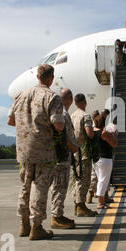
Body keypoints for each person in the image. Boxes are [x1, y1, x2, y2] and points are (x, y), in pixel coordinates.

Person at [7, 64, 64, 240]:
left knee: (25, 186)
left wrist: (27, 128)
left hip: (23, 150)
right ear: (51, 78)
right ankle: (36, 226)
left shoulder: (20, 96)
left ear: (37, 77)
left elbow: (10, 120)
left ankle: (23, 224)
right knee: (40, 186)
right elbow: (59, 125)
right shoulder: (52, 97)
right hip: (43, 150)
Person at [50, 88, 79, 229]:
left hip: (59, 155)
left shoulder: (60, 112)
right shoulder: (64, 113)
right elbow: (65, 135)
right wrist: (73, 148)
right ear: (70, 100)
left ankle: (58, 214)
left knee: (59, 186)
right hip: (62, 156)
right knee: (60, 186)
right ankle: (56, 216)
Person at [71, 93, 98, 217]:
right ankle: (81, 205)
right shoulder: (85, 116)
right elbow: (90, 134)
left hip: (73, 152)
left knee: (76, 179)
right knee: (84, 179)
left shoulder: (72, 116)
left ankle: (77, 204)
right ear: (84, 102)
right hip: (84, 152)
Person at [93, 112, 118, 209]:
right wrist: (114, 134)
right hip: (105, 159)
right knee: (103, 181)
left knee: (101, 180)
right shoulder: (104, 133)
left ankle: (101, 201)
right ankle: (100, 203)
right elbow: (114, 144)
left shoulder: (94, 132)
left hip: (96, 159)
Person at [87, 110, 100, 204]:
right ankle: (95, 193)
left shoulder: (90, 127)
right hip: (99, 154)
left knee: (93, 175)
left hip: (92, 153)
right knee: (98, 175)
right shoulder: (99, 127)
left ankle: (91, 193)